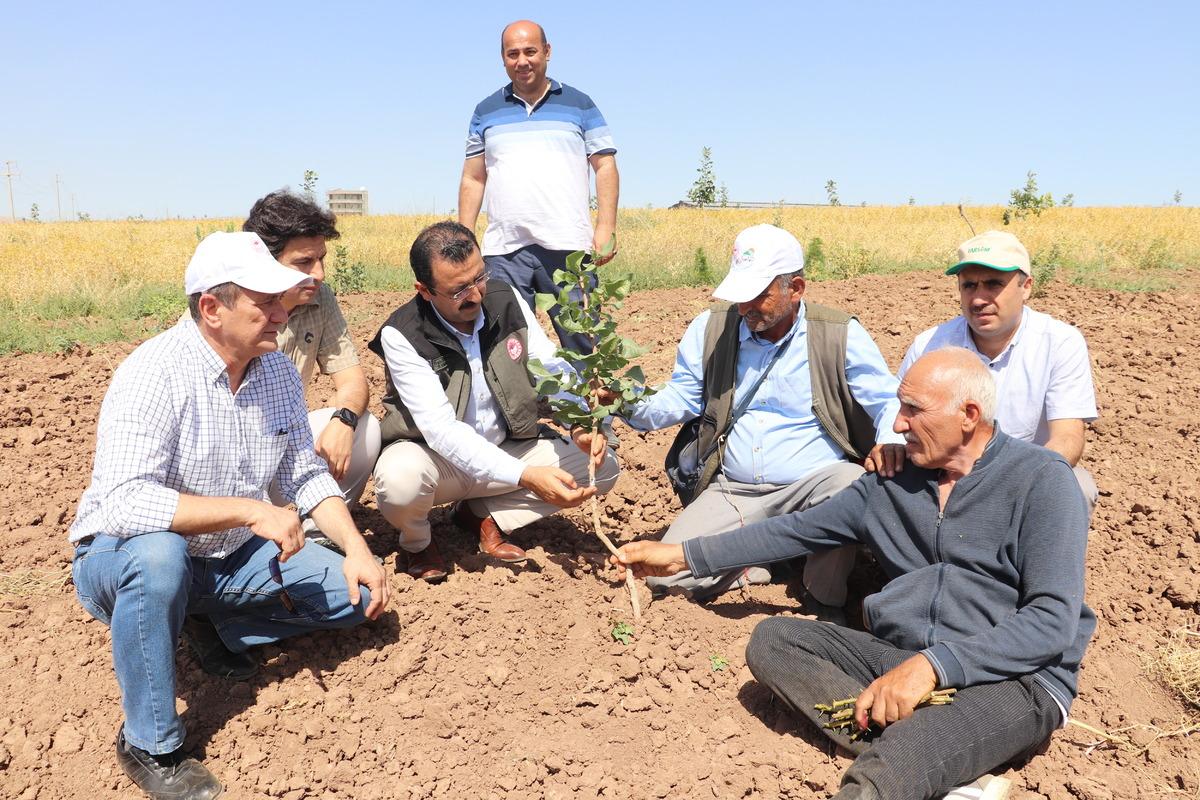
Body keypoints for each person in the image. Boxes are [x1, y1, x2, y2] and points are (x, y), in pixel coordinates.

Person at [612, 348, 1095, 800]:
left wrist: (933, 668)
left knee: (884, 773)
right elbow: (792, 532)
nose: (898, 423)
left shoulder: (1042, 480)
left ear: (969, 416)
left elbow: (1052, 620)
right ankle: (950, 764)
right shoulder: (890, 485)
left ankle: (917, 757)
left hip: (1014, 678)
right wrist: (682, 555)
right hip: (905, 659)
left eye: (913, 410)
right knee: (775, 640)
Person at [69, 232, 390, 799]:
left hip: (228, 557)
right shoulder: (154, 373)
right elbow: (124, 503)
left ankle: (206, 619)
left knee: (357, 598)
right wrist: (249, 509)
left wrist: (358, 549)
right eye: (263, 302)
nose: (280, 312)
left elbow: (303, 474)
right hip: (122, 557)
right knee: (158, 554)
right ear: (212, 309)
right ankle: (150, 744)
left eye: (280, 300)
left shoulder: (277, 374)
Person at [620, 224, 905, 613]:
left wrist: (890, 439)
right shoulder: (711, 328)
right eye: (739, 296)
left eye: (758, 296)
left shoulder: (838, 334)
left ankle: (822, 598)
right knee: (664, 578)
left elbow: (888, 399)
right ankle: (763, 560)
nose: (744, 308)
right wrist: (622, 402)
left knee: (852, 487)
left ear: (796, 289)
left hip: (813, 486)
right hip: (735, 490)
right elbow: (681, 397)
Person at [368, 221, 619, 582]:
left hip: (507, 447)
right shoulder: (403, 334)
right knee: (399, 481)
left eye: (479, 278)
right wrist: (527, 476)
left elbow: (548, 366)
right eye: (458, 290)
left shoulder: (505, 298)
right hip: (439, 463)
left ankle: (483, 515)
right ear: (424, 290)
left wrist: (577, 422)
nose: (475, 295)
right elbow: (440, 431)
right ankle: (418, 543)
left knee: (602, 466)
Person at [899, 230, 1099, 511]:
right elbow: (900, 423)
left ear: (1026, 286)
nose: (978, 299)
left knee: (1077, 486)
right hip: (943, 475)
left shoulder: (1059, 342)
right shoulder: (930, 344)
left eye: (993, 284)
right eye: (969, 286)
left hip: (1024, 475)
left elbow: (1067, 438)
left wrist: (1011, 479)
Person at [458, 19, 619, 355]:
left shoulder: (580, 104)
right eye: (512, 53)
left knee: (584, 339)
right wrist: (464, 235)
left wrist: (606, 227)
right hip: (504, 250)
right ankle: (519, 409)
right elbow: (474, 177)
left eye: (530, 51)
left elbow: (604, 165)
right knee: (507, 344)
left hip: (568, 246)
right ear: (503, 59)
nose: (522, 61)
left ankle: (595, 405)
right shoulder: (485, 111)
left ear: (547, 52)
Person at [243, 190, 382, 548]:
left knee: (364, 428)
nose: (318, 273)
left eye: (321, 259)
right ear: (265, 261)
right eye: (304, 262)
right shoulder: (232, 305)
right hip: (228, 459)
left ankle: (319, 536)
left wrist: (344, 421)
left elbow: (352, 379)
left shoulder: (320, 298)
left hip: (281, 446)